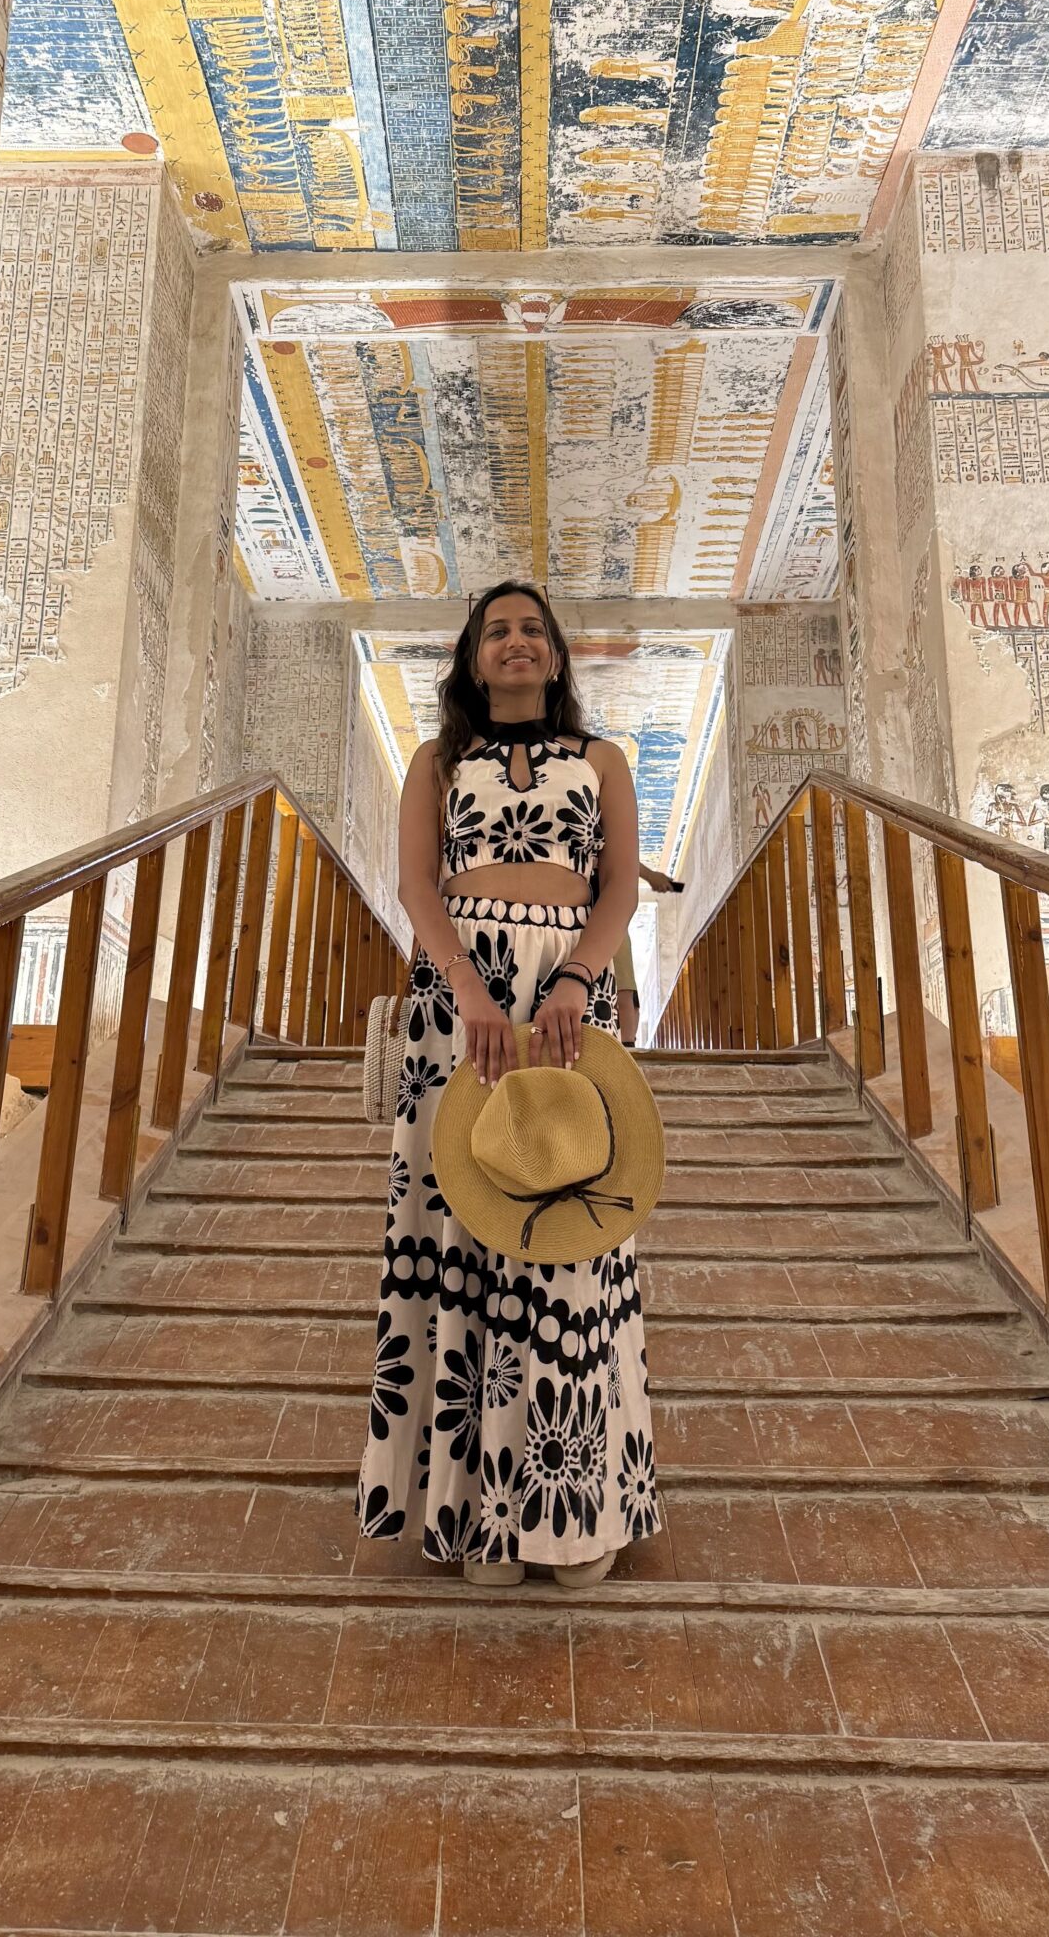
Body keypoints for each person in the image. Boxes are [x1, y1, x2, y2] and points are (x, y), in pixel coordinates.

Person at [356, 580, 658, 1585]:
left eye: (534, 628)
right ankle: (478, 1515)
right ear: (474, 658)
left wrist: (576, 975)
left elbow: (618, 883)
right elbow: (414, 887)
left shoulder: (601, 761)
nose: (518, 641)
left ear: (559, 655)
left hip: (568, 991)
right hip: (462, 1007)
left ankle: (574, 1516)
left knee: (570, 1238)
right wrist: (471, 994)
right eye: (499, 631)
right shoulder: (437, 763)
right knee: (465, 1236)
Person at [614, 862, 684, 1045]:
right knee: (624, 993)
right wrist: (651, 876)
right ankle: (628, 1048)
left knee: (626, 994)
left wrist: (651, 876)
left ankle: (628, 1047)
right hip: (604, 915)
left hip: (609, 915)